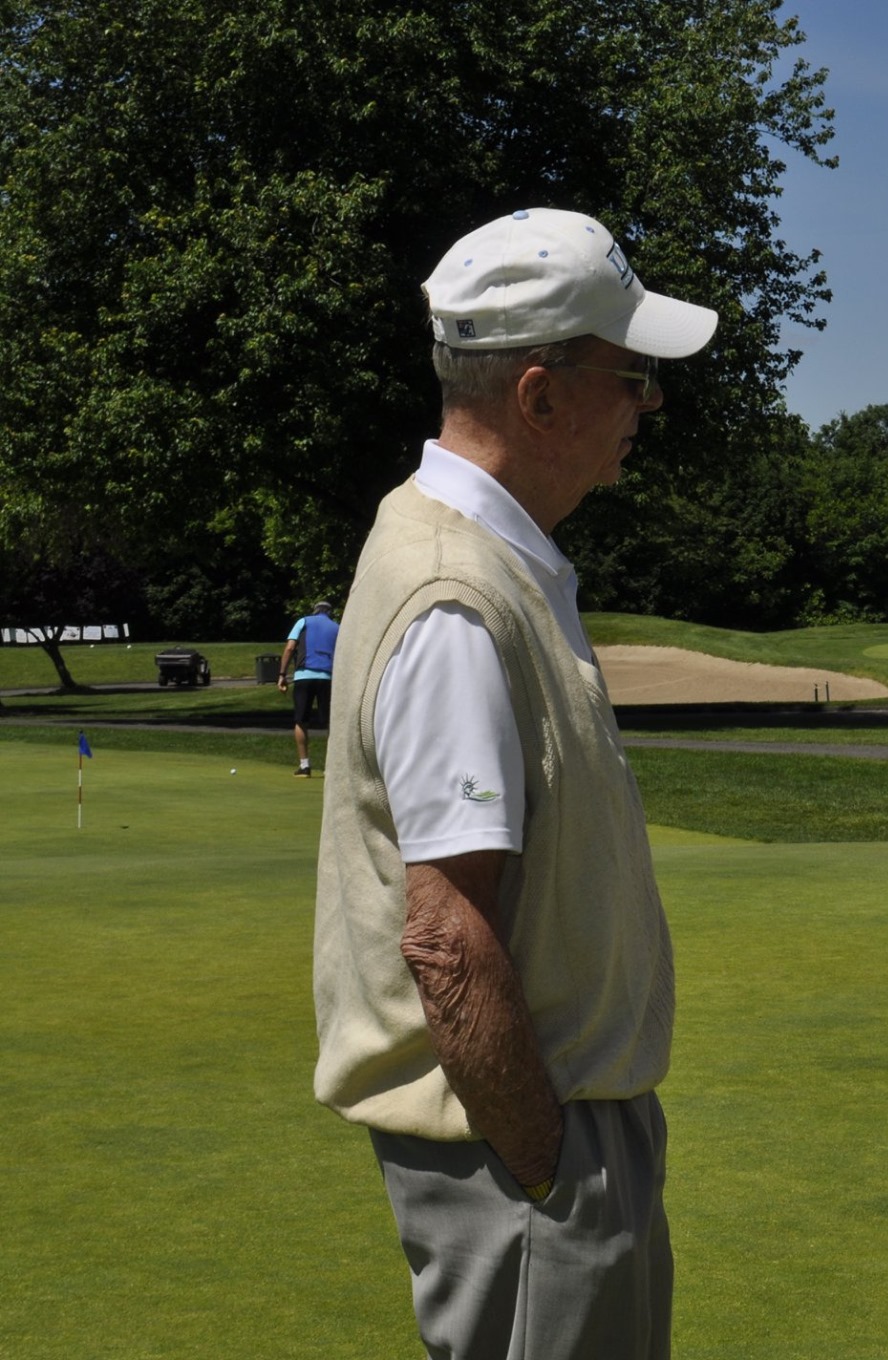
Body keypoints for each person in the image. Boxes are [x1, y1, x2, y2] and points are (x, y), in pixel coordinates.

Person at [312, 207, 718, 1359]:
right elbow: (445, 938)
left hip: (553, 1142)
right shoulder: (457, 596)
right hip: (526, 1157)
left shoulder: (486, 566)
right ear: (538, 397)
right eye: (631, 374)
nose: (648, 403)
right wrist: (549, 1173)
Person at [278, 601, 340, 776]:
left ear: (314, 610)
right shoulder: (337, 627)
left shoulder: (304, 621)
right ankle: (333, 768)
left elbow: (290, 647)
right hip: (328, 677)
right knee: (330, 723)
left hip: (304, 676)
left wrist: (282, 674)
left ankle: (305, 766)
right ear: (330, 612)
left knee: (301, 720)